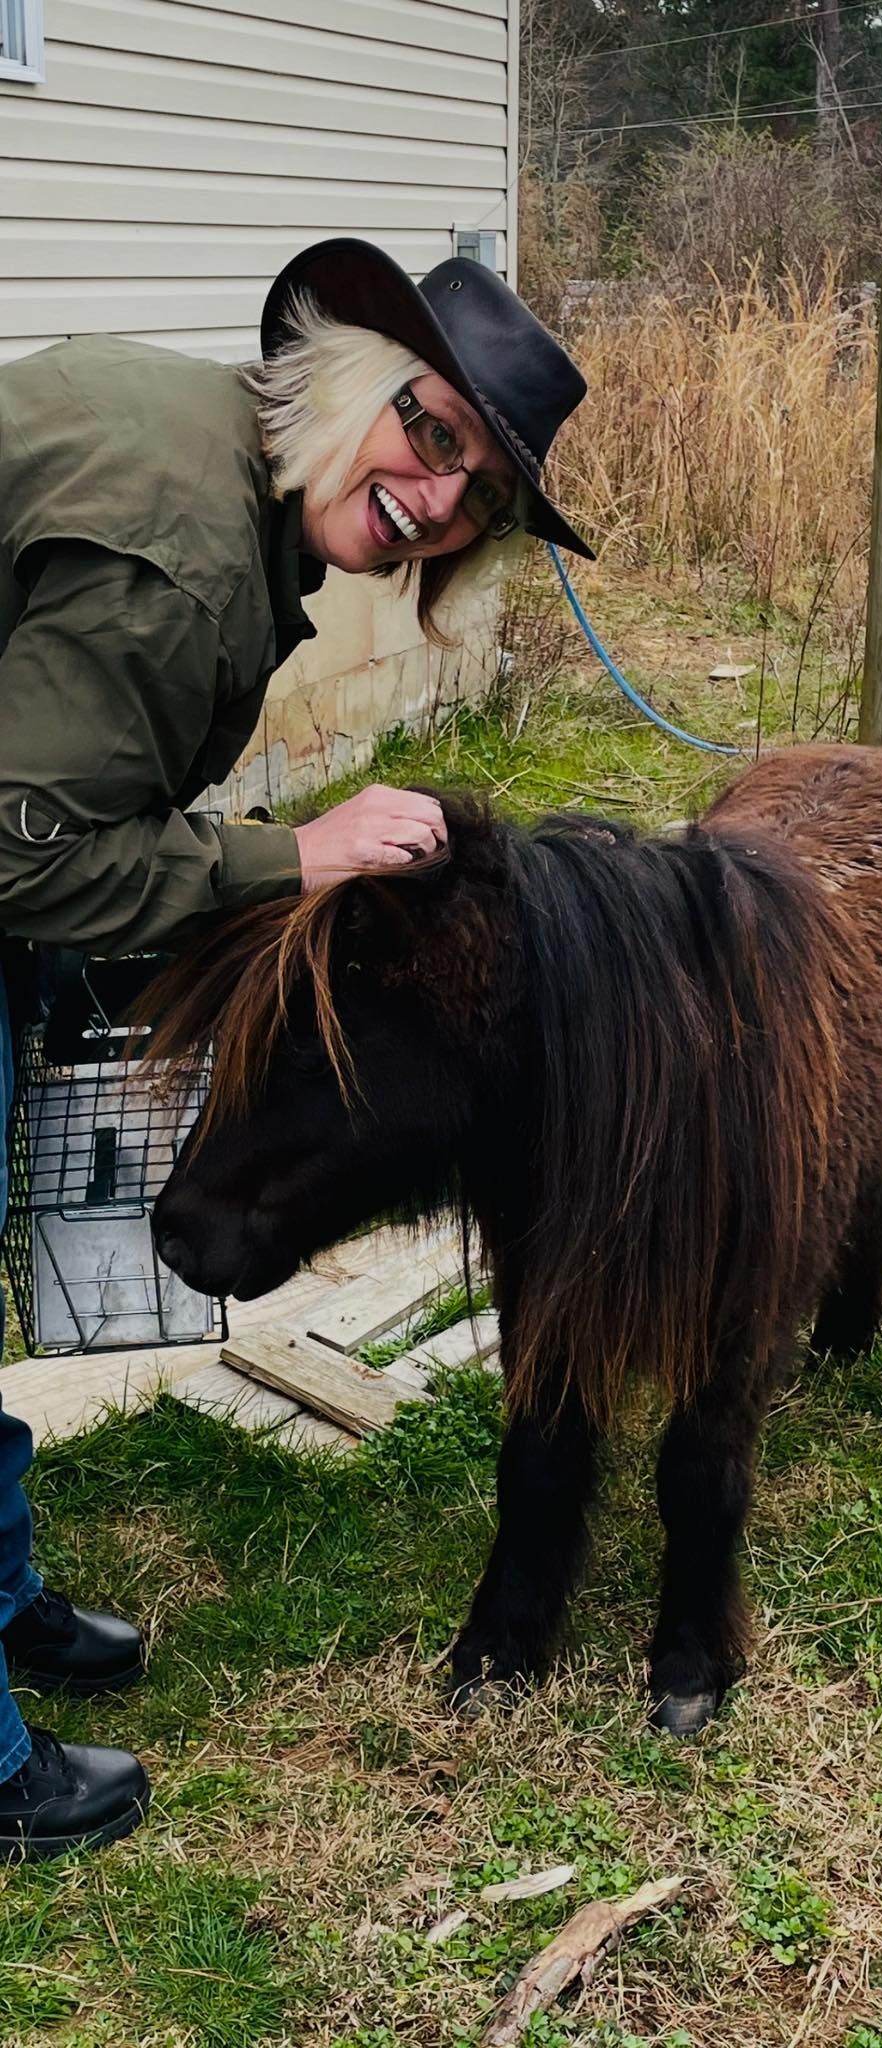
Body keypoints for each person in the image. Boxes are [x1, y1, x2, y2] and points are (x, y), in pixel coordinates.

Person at [0, 236, 593, 1860]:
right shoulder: (183, 550)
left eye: (473, 489)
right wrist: (291, 857)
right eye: (432, 431)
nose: (435, 496)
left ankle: (3, 1603)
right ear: (353, 381)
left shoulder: (208, 459)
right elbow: (16, 847)